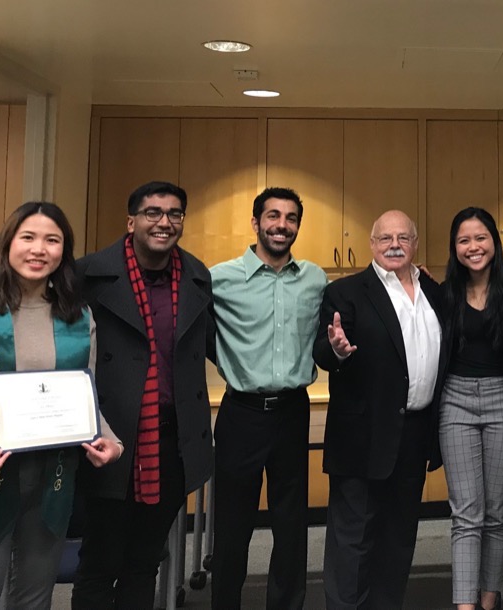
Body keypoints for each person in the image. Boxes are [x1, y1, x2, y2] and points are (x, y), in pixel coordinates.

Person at [0, 202, 121, 609]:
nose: (39, 249)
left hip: (51, 483)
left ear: (64, 251)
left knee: (34, 601)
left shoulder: (79, 319)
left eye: (52, 240)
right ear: (8, 244)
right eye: (28, 237)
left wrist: (111, 442)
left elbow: (84, 398)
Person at [70, 181, 217, 609]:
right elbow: (32, 311)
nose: (165, 222)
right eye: (153, 212)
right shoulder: (86, 275)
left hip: (172, 443)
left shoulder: (196, 276)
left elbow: (215, 342)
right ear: (131, 220)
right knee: (98, 563)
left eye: (175, 214)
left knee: (144, 562)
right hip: (108, 441)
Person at [313, 210, 445, 610]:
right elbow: (324, 348)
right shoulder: (347, 292)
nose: (394, 245)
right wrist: (336, 351)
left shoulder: (434, 292)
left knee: (398, 537)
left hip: (415, 434)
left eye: (403, 238)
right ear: (371, 244)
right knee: (353, 540)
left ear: (415, 243)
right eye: (385, 238)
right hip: (363, 438)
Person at [209, 187, 327, 609]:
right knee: (233, 528)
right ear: (256, 222)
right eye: (273, 216)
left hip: (292, 412)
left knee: (291, 526)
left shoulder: (315, 279)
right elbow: (200, 336)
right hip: (241, 413)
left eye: (291, 217)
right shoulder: (218, 279)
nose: (282, 225)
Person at [438, 207, 503, 610]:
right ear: (455, 247)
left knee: (497, 512)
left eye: (480, 238)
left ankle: (488, 599)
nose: (473, 247)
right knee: (467, 512)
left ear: (495, 242)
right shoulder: (444, 292)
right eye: (464, 240)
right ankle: (465, 605)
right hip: (456, 400)